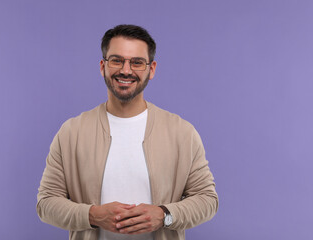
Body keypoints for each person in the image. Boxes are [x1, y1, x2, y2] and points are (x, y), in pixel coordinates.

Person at [37, 24, 218, 240]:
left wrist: (165, 215)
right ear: (103, 66)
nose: (125, 70)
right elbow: (46, 203)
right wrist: (92, 215)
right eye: (116, 60)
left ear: (151, 70)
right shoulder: (71, 132)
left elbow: (207, 199)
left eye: (137, 63)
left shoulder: (182, 133)